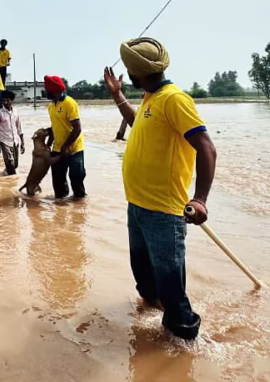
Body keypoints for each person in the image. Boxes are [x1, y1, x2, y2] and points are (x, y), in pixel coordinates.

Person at [103, 37, 218, 342]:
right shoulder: (150, 99)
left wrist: (200, 199)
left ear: (137, 72)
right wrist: (118, 97)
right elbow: (138, 122)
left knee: (171, 285)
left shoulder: (174, 99)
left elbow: (206, 148)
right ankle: (153, 312)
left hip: (163, 211)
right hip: (138, 205)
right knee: (144, 275)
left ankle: (184, 342)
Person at [43, 75, 86, 199]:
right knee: (58, 185)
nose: (45, 92)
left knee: (76, 180)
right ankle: (60, 211)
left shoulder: (70, 103)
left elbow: (77, 128)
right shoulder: (51, 106)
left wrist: (66, 146)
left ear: (53, 90)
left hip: (74, 149)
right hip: (57, 148)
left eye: (46, 90)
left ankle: (79, 210)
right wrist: (48, 144)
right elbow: (55, 126)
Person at [0, 90, 24, 175]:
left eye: (7, 100)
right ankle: (12, 182)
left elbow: (19, 128)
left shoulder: (16, 112)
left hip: (15, 141)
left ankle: (6, 173)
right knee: (10, 163)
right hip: (4, 141)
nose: (5, 102)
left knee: (15, 165)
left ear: (11, 101)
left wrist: (22, 143)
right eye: (4, 100)